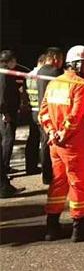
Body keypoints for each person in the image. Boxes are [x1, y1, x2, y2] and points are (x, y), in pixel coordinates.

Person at [39, 45, 84, 242]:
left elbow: (43, 112)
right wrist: (64, 132)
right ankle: (79, 228)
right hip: (74, 144)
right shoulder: (80, 84)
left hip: (55, 143)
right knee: (78, 184)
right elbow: (77, 114)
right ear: (78, 64)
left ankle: (52, 226)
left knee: (58, 183)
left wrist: (52, 131)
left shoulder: (54, 83)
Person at [37, 47, 65, 184]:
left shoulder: (40, 70)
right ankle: (54, 175)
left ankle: (46, 175)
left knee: (44, 143)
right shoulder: (55, 72)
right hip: (53, 112)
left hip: (42, 112)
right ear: (55, 58)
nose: (61, 62)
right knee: (52, 144)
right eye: (61, 59)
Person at [0, 50, 23, 198]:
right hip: (6, 113)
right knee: (8, 139)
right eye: (14, 61)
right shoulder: (2, 74)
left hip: (8, 111)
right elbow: (2, 95)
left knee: (8, 139)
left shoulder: (6, 73)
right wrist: (5, 113)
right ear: (9, 61)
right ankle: (5, 166)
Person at [25, 53, 46, 175]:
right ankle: (45, 166)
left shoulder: (28, 75)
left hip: (32, 109)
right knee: (44, 140)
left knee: (32, 139)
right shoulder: (42, 75)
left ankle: (30, 167)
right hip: (41, 110)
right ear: (43, 62)